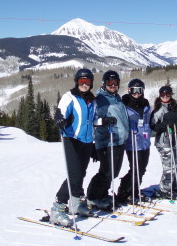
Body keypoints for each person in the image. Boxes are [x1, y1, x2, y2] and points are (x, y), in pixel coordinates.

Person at [50, 68, 96, 227]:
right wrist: (59, 119)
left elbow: (94, 121)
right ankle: (58, 208)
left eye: (87, 82)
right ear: (76, 82)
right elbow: (60, 111)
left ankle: (75, 202)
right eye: (81, 81)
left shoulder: (92, 100)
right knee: (74, 174)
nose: (84, 84)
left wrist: (106, 122)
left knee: (81, 172)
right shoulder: (69, 97)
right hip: (72, 139)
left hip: (87, 141)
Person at [86, 70, 129, 210]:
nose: (113, 85)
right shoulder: (99, 99)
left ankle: (102, 193)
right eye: (110, 83)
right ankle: (93, 196)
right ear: (104, 83)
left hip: (119, 141)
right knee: (106, 172)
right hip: (106, 141)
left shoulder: (118, 98)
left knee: (114, 172)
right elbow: (92, 120)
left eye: (115, 83)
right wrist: (103, 120)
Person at [117, 78, 152, 204]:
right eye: (133, 91)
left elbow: (150, 121)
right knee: (136, 168)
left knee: (142, 169)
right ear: (129, 90)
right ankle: (126, 190)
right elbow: (120, 122)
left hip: (144, 142)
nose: (136, 94)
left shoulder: (146, 104)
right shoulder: (124, 106)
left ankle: (134, 189)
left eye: (139, 90)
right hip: (132, 143)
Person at [150, 85, 177, 199]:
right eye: (162, 95)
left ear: (171, 95)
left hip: (176, 140)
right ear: (159, 95)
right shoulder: (158, 109)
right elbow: (153, 126)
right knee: (169, 167)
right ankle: (165, 189)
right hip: (164, 142)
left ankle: (174, 186)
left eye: (167, 95)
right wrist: (164, 125)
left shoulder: (176, 107)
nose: (165, 97)